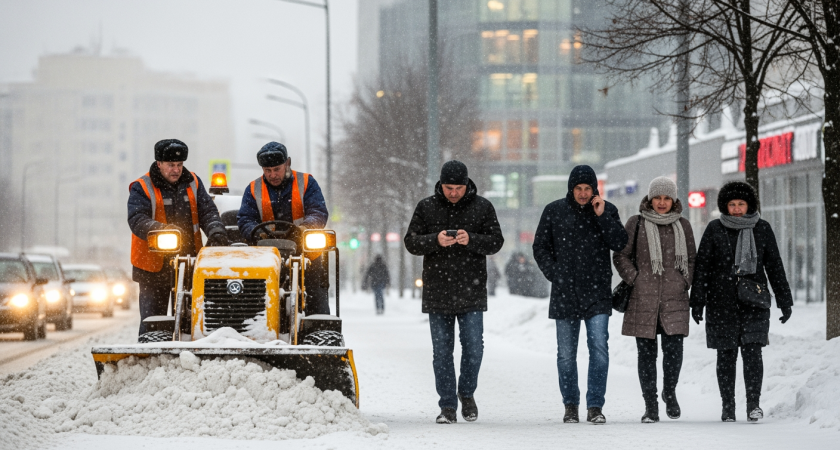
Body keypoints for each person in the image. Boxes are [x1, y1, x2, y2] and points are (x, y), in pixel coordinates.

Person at [404, 160, 504, 424]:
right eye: (449, 188)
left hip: (471, 290)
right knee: (442, 351)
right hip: (437, 290)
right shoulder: (426, 207)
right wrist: (435, 240)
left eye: (458, 188)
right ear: (441, 184)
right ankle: (447, 406)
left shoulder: (482, 207)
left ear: (466, 184)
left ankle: (467, 394)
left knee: (474, 349)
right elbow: (411, 242)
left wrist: (472, 239)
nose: (453, 193)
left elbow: (496, 242)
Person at [532, 165, 628, 424]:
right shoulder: (554, 211)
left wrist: (602, 216)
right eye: (579, 189)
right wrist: (555, 273)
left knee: (599, 350)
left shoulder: (606, 210)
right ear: (571, 189)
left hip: (597, 292)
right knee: (566, 354)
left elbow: (620, 242)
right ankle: (571, 404)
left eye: (588, 189)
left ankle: (595, 406)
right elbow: (540, 246)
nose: (584, 194)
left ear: (594, 189)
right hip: (565, 292)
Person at [690, 181, 792, 422]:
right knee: (725, 355)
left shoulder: (762, 228)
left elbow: (774, 266)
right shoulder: (715, 228)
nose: (736, 209)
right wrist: (697, 302)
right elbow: (703, 266)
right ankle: (728, 406)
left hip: (753, 301)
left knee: (753, 353)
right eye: (732, 204)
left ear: (750, 205)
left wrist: (784, 300)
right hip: (720, 301)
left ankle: (753, 405)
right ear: (725, 206)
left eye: (741, 204)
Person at [613, 177, 696, 423]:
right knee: (646, 356)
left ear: (674, 200)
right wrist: (635, 278)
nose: (661, 203)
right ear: (650, 199)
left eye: (666, 198)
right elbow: (621, 256)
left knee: (674, 353)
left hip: (674, 299)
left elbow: (691, 259)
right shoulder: (636, 223)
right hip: (643, 299)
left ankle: (669, 392)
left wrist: (684, 281)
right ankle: (650, 405)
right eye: (657, 198)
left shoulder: (683, 225)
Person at [128, 139, 228, 337]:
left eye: (179, 165)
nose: (176, 170)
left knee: (191, 319)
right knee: (152, 320)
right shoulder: (142, 187)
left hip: (189, 263)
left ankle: (188, 356)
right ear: (159, 164)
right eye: (171, 165)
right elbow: (137, 218)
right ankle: (150, 353)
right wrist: (161, 231)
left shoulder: (193, 183)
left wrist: (216, 230)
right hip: (153, 266)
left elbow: (208, 211)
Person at [237, 141, 330, 315]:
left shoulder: (306, 182)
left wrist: (304, 229)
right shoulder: (253, 189)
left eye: (276, 169)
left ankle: (318, 323)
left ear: (287, 163)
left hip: (306, 254)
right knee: (252, 297)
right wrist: (255, 232)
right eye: (267, 170)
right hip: (266, 256)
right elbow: (245, 218)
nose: (272, 175)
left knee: (316, 297)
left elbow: (318, 211)